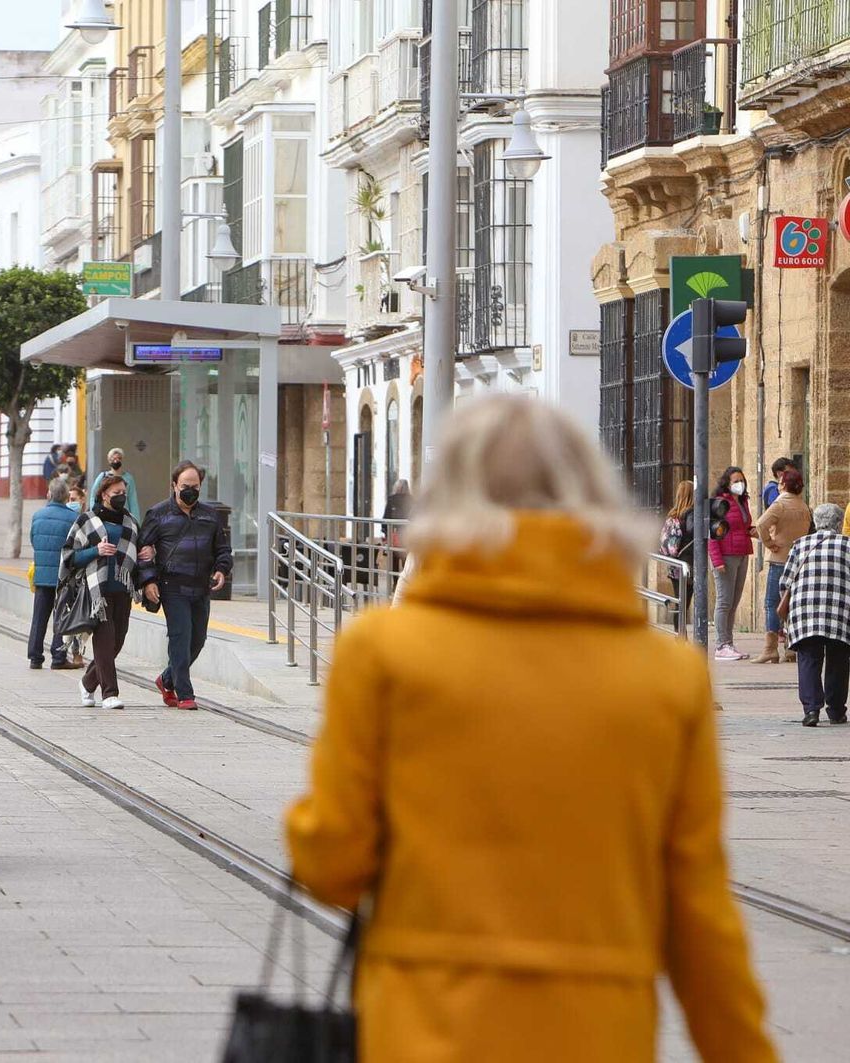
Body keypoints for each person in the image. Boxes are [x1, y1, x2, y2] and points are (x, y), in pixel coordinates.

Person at [284, 396, 779, 1063]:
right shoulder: (667, 677)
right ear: (589, 496)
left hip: (421, 1032)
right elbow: (699, 913)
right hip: (598, 1036)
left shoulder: (382, 651)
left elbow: (333, 862)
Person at [136, 461, 231, 710]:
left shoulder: (210, 516)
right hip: (172, 586)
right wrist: (148, 581)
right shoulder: (158, 514)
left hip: (201, 588)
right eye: (185, 486)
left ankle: (167, 679)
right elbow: (142, 552)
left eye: (196, 486)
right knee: (180, 637)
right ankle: (184, 693)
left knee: (197, 639)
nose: (191, 490)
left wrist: (222, 569)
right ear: (174, 486)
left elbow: (222, 549)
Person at [62, 474, 141, 709]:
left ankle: (87, 683)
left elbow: (139, 549)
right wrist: (95, 551)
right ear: (104, 494)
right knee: (105, 641)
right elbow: (69, 555)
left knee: (117, 642)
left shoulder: (130, 521)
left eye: (123, 493)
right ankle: (109, 693)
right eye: (116, 493)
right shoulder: (87, 520)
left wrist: (147, 553)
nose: (121, 497)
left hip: (122, 589)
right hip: (97, 591)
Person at [777, 502, 850, 727]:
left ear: (815, 523)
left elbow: (785, 581)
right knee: (838, 659)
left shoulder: (801, 544)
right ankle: (836, 710)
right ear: (839, 524)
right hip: (840, 612)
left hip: (805, 612)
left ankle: (811, 710)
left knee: (809, 659)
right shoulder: (847, 545)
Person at [755, 466, 810, 665]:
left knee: (772, 603)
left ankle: (770, 649)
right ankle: (790, 648)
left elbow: (761, 524)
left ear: (784, 484)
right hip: (799, 561)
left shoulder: (780, 504)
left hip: (779, 559)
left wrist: (769, 543)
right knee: (793, 604)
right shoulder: (804, 507)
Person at [27, 478, 78, 670]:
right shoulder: (72, 518)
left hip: (41, 574)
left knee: (39, 616)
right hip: (63, 575)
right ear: (66, 496)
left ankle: (35, 657)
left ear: (49, 494)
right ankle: (58, 656)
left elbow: (34, 540)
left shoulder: (38, 515)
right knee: (62, 615)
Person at [710, 465, 756, 661]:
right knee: (724, 601)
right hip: (726, 556)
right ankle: (721, 644)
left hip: (742, 553)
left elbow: (741, 527)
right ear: (727, 484)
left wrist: (751, 531)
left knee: (734, 602)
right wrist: (717, 560)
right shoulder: (721, 504)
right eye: (735, 481)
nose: (740, 484)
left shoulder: (742, 502)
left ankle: (729, 642)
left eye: (741, 480)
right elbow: (712, 534)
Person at [660, 479, 697, 626]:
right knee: (685, 603)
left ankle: (679, 635)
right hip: (688, 564)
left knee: (680, 602)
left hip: (675, 564)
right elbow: (693, 531)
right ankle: (680, 637)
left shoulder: (673, 514)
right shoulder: (690, 514)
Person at [89, 448, 138, 517]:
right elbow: (93, 495)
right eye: (113, 458)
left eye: (119, 458)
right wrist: (93, 512)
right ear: (109, 460)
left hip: (123, 515)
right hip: (104, 513)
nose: (116, 460)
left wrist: (136, 520)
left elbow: (133, 501)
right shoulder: (102, 476)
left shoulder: (129, 478)